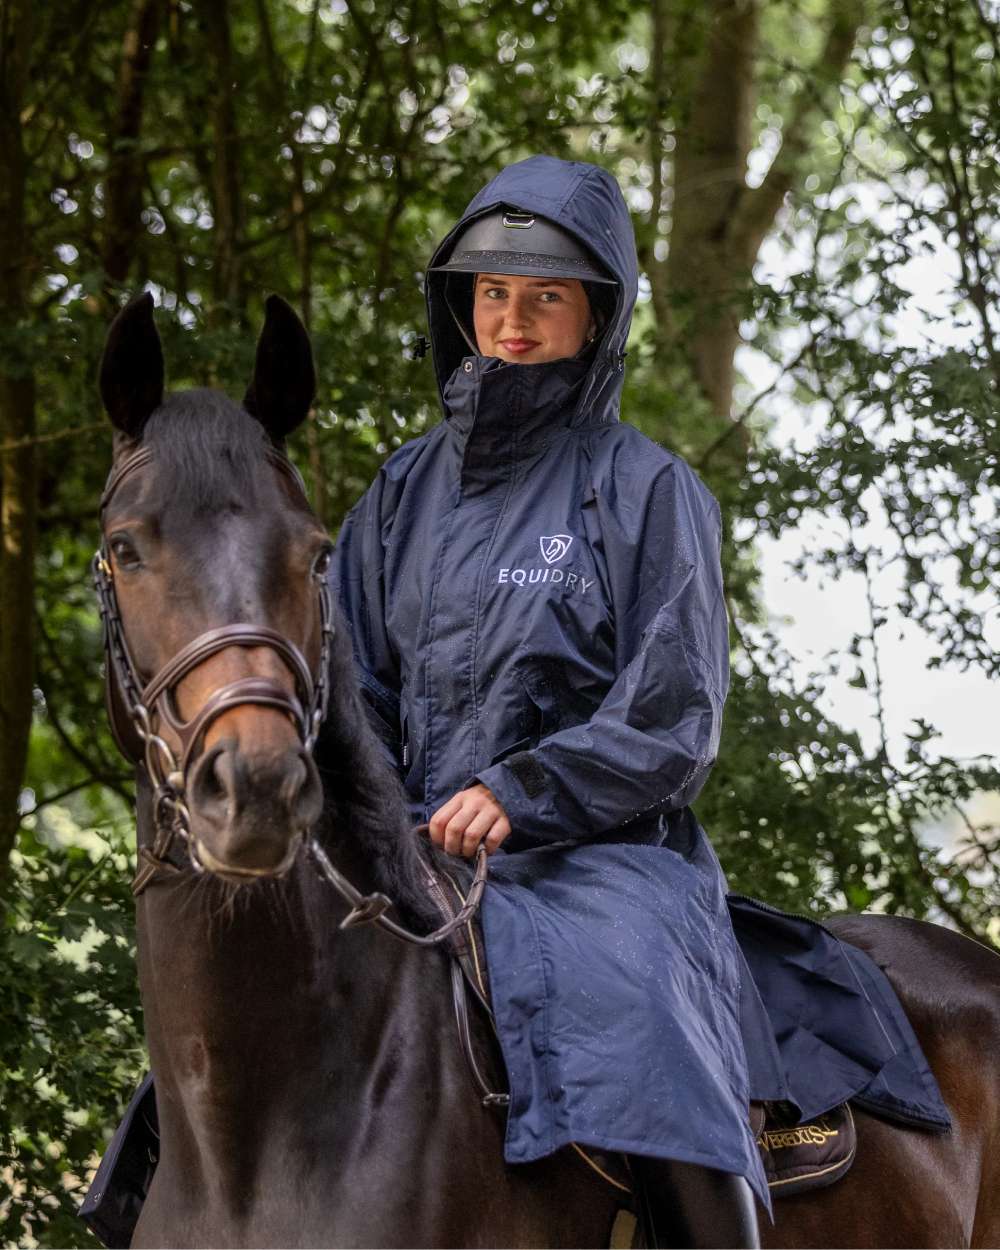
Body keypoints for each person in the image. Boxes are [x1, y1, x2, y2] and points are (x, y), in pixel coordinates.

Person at [332, 154, 763, 1248]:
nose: (511, 319)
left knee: (645, 1027)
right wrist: (384, 812)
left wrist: (519, 790)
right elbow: (351, 686)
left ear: (596, 313)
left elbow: (673, 712)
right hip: (412, 839)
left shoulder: (649, 488)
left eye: (544, 296)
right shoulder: (397, 491)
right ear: (459, 304)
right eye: (491, 292)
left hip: (600, 853)